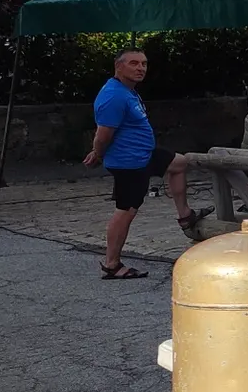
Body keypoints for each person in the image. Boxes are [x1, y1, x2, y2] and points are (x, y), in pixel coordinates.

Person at [86, 49, 208, 280]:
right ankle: (112, 264)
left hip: (144, 154)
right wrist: (97, 154)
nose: (140, 68)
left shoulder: (128, 91)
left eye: (143, 63)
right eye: (134, 63)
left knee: (179, 163)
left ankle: (185, 215)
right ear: (118, 66)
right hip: (128, 163)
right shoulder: (113, 96)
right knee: (126, 211)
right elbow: (103, 135)